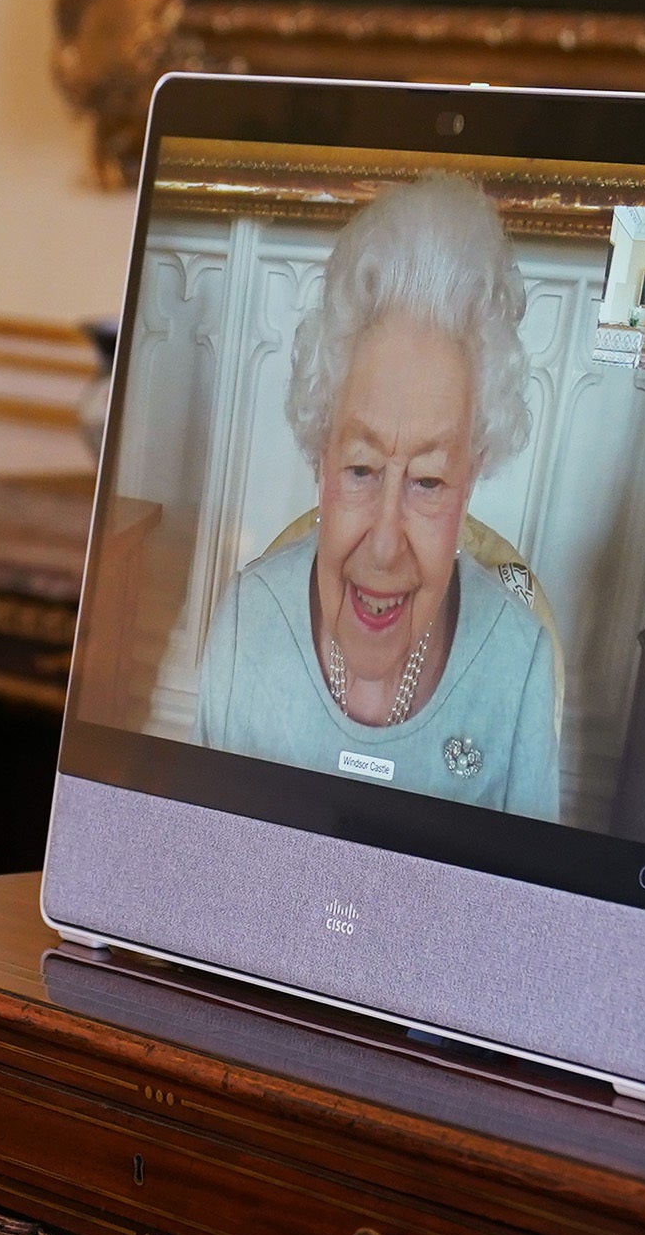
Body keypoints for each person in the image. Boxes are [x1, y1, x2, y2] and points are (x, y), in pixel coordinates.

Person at [194, 176, 562, 817]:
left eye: (427, 481)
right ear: (322, 455)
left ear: (470, 479)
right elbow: (196, 870)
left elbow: (531, 914)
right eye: (362, 470)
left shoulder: (516, 665)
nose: (386, 546)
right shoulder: (244, 629)